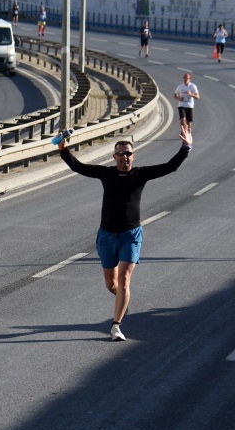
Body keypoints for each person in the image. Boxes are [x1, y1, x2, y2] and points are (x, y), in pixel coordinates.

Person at [57, 126, 193, 341]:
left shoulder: (141, 174)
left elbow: (170, 167)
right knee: (112, 285)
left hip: (131, 235)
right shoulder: (106, 173)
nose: (124, 156)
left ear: (133, 155)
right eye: (120, 153)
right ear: (114, 157)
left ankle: (116, 325)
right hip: (107, 235)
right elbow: (79, 167)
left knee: (125, 278)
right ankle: (123, 297)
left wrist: (186, 147)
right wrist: (63, 149)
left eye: (128, 153)